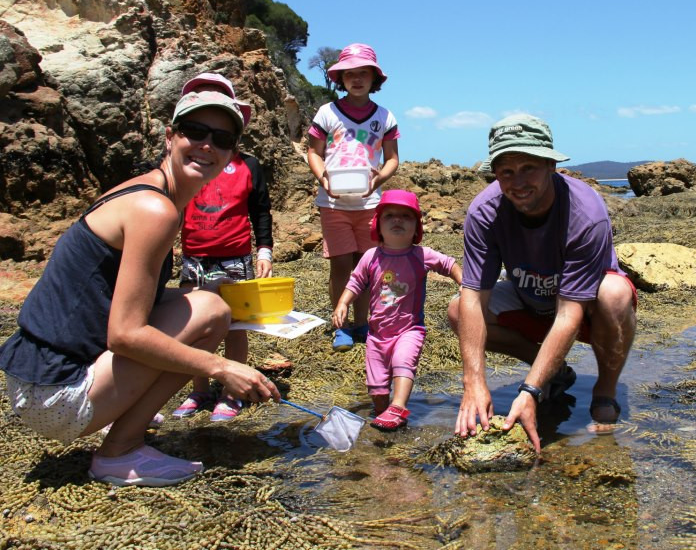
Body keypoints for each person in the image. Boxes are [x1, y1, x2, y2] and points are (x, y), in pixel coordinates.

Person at [0, 90, 280, 487]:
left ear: (233, 152)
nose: (207, 145)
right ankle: (119, 451)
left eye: (222, 139)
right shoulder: (156, 210)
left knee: (204, 302)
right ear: (170, 136)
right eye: (196, 131)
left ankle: (121, 418)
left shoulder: (145, 190)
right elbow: (126, 334)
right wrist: (222, 366)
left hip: (33, 378)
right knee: (212, 312)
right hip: (54, 396)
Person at [448, 114, 637, 453]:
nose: (517, 182)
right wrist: (473, 382)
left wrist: (530, 391)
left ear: (551, 165)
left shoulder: (585, 213)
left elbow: (569, 314)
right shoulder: (484, 212)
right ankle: (555, 371)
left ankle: (605, 390)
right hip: (530, 298)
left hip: (585, 307)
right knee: (457, 310)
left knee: (615, 294)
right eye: (506, 171)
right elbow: (473, 297)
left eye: (528, 168)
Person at [171, 73, 274, 422]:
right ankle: (198, 390)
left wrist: (264, 250)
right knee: (192, 326)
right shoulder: (183, 163)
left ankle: (233, 391)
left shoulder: (249, 166)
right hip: (194, 258)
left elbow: (261, 210)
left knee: (236, 326)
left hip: (235, 258)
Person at [332, 190, 462, 431]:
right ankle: (386, 415)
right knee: (378, 391)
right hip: (376, 335)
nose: (397, 220)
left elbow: (449, 264)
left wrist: (463, 283)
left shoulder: (421, 255)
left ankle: (399, 405)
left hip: (409, 329)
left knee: (404, 362)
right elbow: (356, 282)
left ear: (417, 228)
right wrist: (343, 303)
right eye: (389, 215)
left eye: (406, 216)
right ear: (378, 225)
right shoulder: (371, 256)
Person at [306, 44, 400, 352]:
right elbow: (314, 153)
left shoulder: (385, 117)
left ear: (374, 78)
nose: (357, 79)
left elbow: (392, 160)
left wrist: (378, 180)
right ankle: (341, 326)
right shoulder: (327, 112)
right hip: (333, 204)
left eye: (364, 73)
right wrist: (323, 179)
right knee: (340, 265)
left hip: (370, 204)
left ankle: (363, 323)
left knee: (367, 266)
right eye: (350, 74)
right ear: (340, 78)